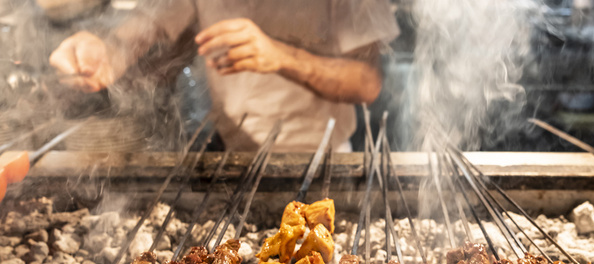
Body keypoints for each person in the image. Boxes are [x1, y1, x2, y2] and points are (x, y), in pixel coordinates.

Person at [49, 0, 399, 152]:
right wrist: (105, 53)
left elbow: (367, 81)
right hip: (234, 154)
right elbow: (140, 30)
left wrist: (280, 55)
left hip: (320, 157)